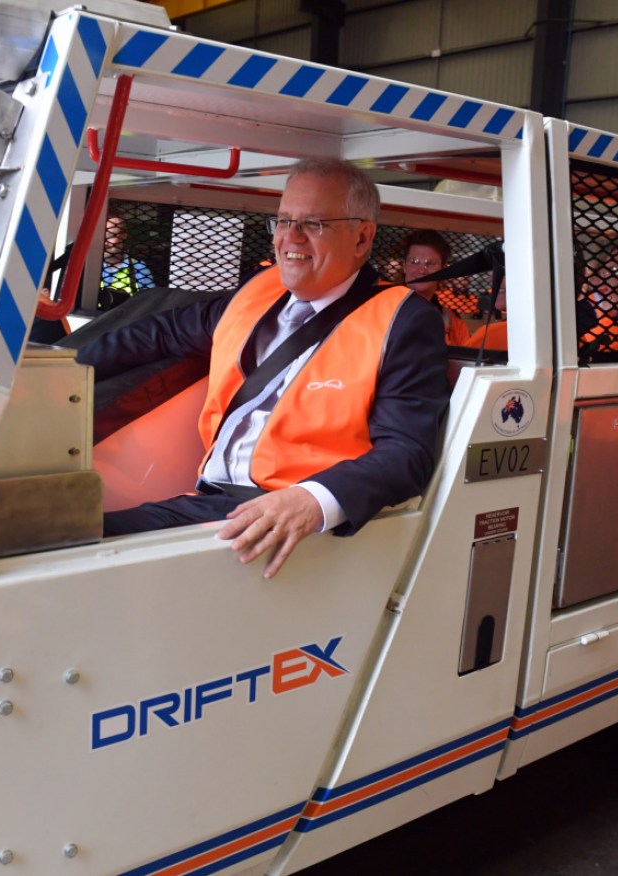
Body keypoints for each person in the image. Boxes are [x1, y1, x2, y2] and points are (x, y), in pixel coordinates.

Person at [77, 158, 450, 577]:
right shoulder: (256, 295)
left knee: (63, 556)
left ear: (362, 238)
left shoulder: (404, 320)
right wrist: (57, 372)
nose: (290, 237)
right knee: (49, 540)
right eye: (284, 220)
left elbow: (407, 453)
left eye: (314, 223)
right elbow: (156, 335)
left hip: (288, 526)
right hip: (210, 503)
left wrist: (312, 501)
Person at [401, 229, 471, 346]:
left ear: (443, 270)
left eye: (431, 263)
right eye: (414, 262)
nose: (422, 270)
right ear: (404, 267)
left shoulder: (454, 323)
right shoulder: (382, 309)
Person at [99, 214, 153, 310]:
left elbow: (150, 307)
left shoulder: (139, 269)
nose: (105, 242)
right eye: (101, 235)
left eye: (110, 235)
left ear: (124, 235)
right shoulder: (86, 268)